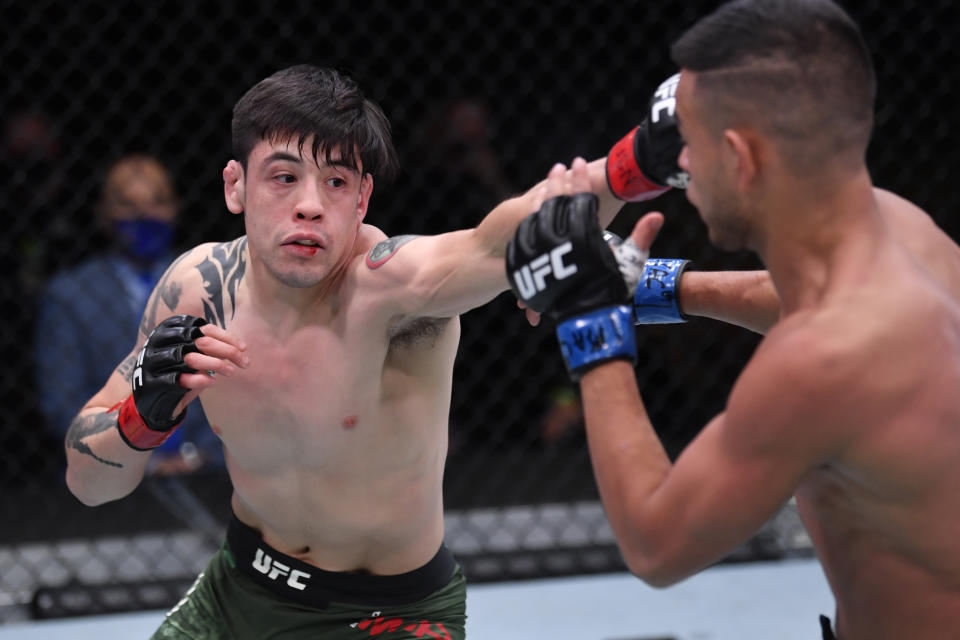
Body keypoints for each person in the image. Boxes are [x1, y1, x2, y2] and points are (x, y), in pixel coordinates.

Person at [61, 65, 650, 639]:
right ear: (236, 186)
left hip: (391, 618)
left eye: (336, 182)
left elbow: (506, 239)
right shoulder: (195, 290)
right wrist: (142, 413)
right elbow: (88, 484)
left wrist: (645, 158)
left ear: (363, 198)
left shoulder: (393, 289)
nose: (311, 205)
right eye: (284, 177)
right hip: (237, 591)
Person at [506, 1, 960, 638]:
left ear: (742, 159)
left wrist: (592, 318)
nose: (679, 163)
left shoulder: (823, 364)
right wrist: (648, 288)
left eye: (688, 142)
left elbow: (657, 545)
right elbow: (791, 294)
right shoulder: (905, 233)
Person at [37, 153, 221, 475]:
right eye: (127, 204)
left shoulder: (211, 284)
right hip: (109, 470)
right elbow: (63, 401)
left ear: (175, 208)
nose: (144, 215)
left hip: (209, 469)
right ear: (103, 213)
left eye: (157, 201)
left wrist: (202, 456)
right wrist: (133, 458)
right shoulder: (69, 296)